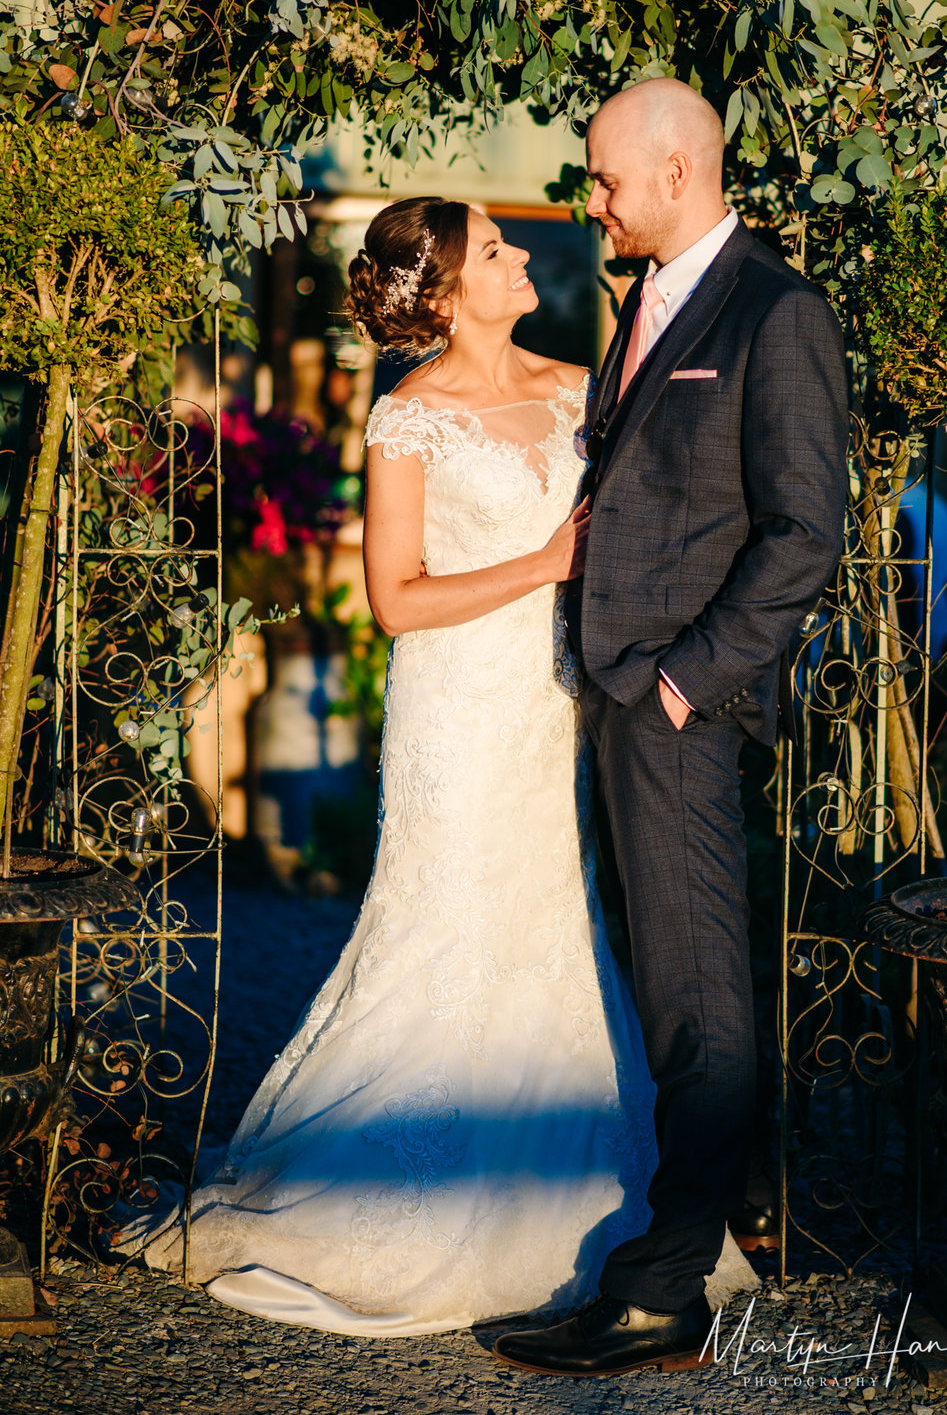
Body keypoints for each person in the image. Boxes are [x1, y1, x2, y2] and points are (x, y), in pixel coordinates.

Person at [130, 196, 757, 1335]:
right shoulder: (407, 420)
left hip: (554, 702)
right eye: (497, 249)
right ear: (451, 287)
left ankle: (582, 1181)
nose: (522, 256)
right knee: (445, 920)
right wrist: (543, 561)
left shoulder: (582, 386)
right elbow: (395, 599)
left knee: (552, 919)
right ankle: (405, 1188)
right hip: (457, 709)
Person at [493, 80, 850, 1377]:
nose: (591, 202)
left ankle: (663, 1291)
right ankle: (659, 1266)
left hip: (681, 707)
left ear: (681, 164)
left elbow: (807, 529)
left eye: (603, 179)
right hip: (622, 697)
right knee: (667, 993)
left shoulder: (777, 309)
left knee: (701, 998)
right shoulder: (644, 300)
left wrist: (684, 682)